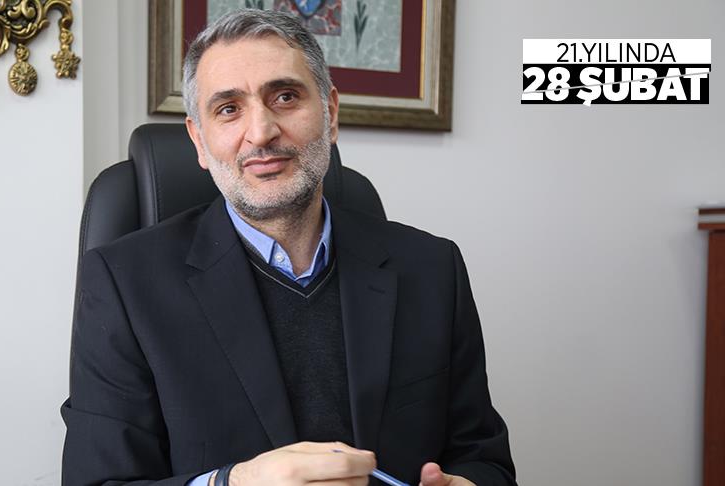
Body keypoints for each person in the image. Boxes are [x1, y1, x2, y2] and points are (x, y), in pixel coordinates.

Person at [62, 9, 516, 486]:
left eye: (285, 97)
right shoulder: (123, 284)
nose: (261, 132)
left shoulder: (432, 268)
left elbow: (484, 458)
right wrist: (234, 482)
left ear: (330, 113)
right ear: (199, 140)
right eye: (229, 109)